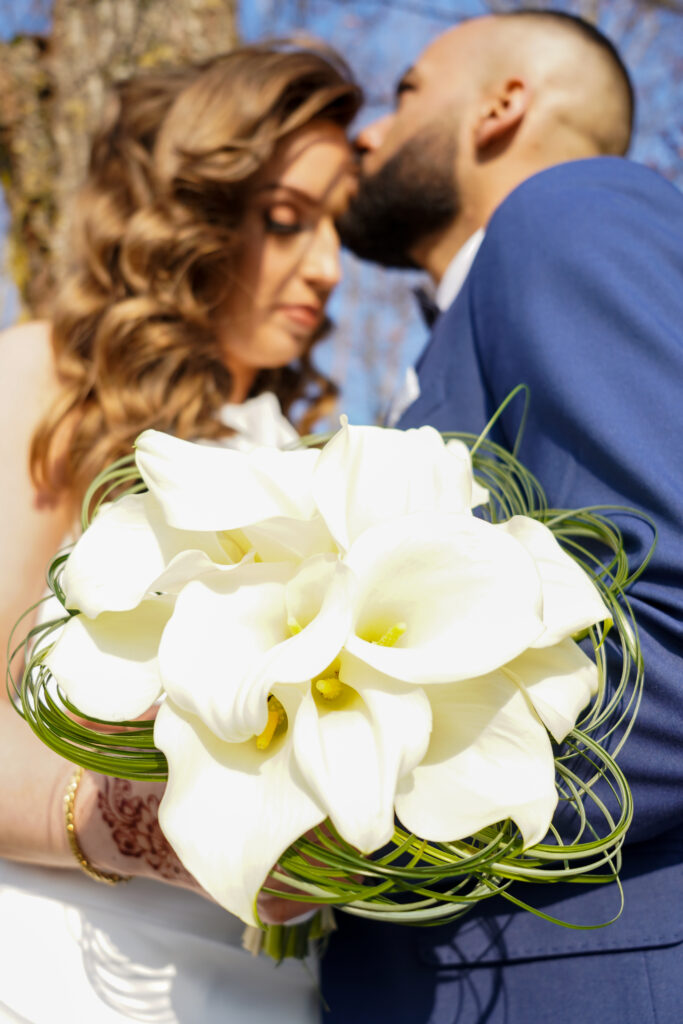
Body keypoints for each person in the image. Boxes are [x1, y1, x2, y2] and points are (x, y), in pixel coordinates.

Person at [326, 10, 683, 1023]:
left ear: (501, 104)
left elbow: (675, 623)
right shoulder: (454, 333)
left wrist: (325, 797)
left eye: (403, 93)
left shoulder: (564, 214)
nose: (366, 132)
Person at [0, 43, 360, 1024]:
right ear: (193, 215)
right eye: (286, 221)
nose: (325, 268)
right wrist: (131, 823)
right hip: (57, 972)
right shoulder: (45, 384)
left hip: (273, 987)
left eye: (337, 227)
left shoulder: (311, 455)